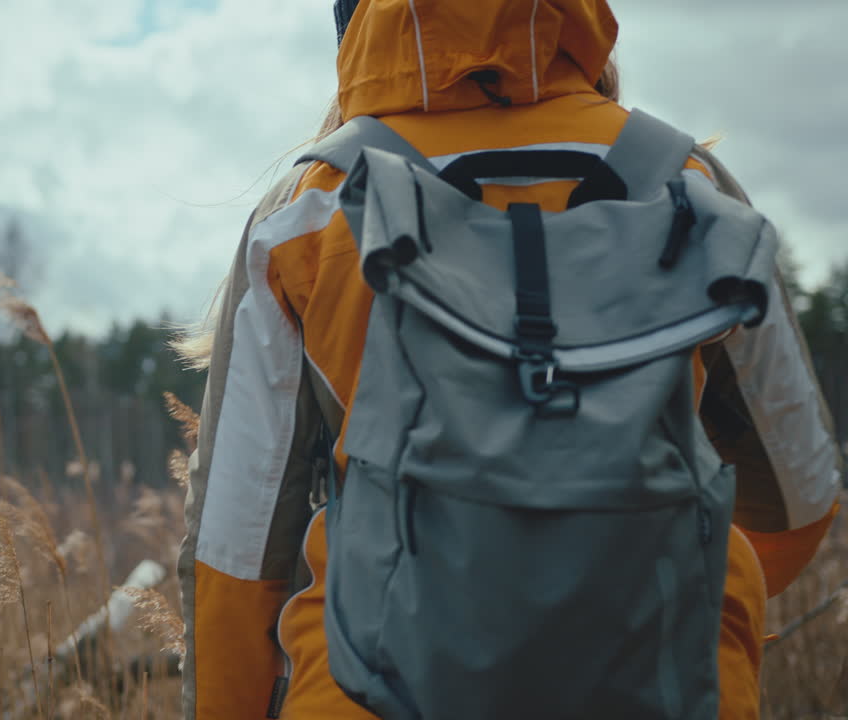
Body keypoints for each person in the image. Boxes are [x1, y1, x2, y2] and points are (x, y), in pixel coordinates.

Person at [175, 1, 842, 718]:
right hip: (667, 685)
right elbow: (798, 497)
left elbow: (236, 559)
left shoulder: (310, 208)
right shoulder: (687, 185)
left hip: (369, 693)